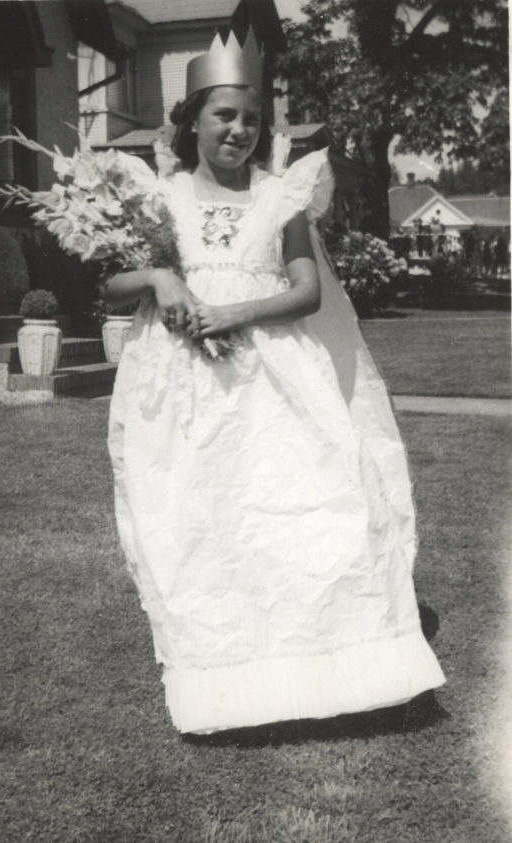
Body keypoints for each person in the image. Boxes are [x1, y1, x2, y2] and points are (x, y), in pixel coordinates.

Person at [103, 28, 445, 735]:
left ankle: (339, 668)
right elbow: (111, 283)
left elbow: (307, 290)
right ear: (192, 118)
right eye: (223, 115)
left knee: (301, 508)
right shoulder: (161, 195)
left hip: (276, 376)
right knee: (206, 520)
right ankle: (228, 685)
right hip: (186, 384)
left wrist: (235, 308)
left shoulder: (282, 196)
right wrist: (161, 276)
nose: (239, 130)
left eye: (251, 119)